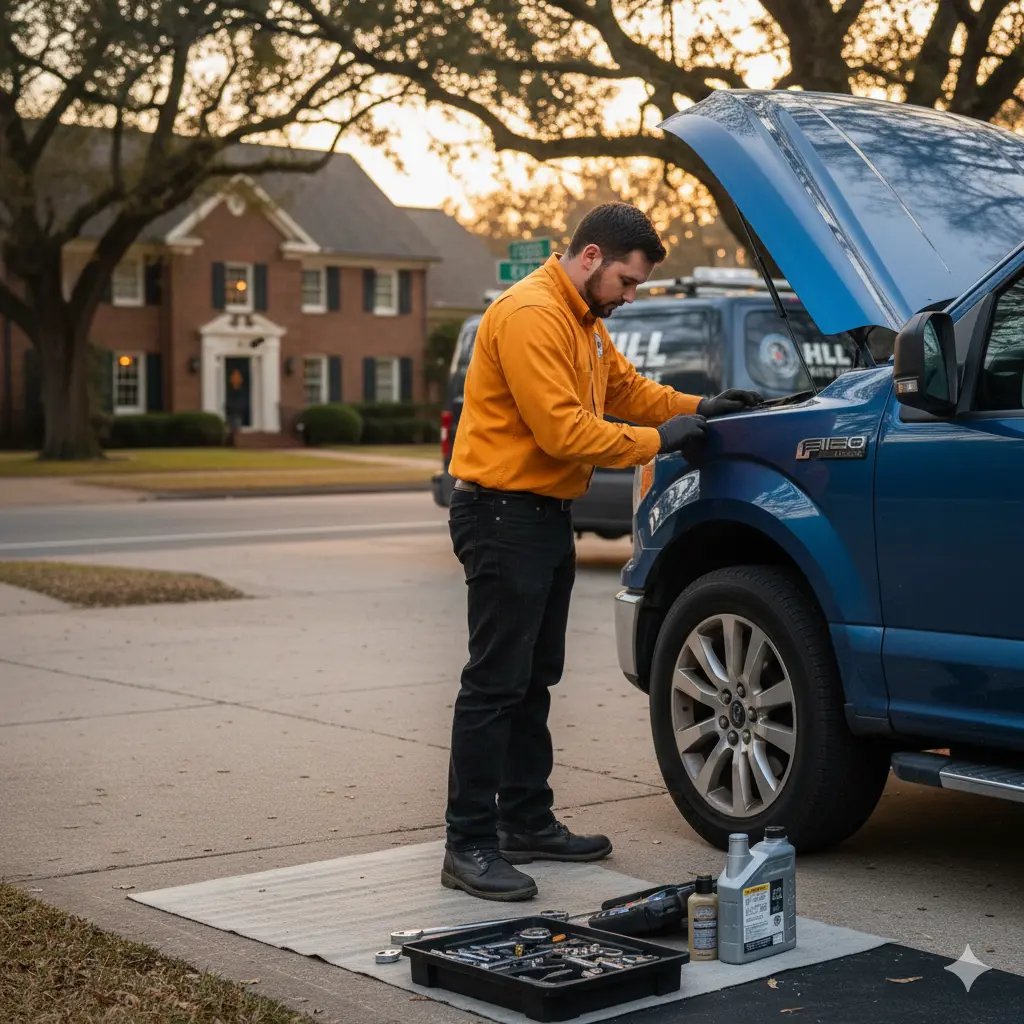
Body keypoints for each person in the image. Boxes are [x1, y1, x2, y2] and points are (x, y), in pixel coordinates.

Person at [443, 202, 760, 901]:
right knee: (496, 681)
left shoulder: (582, 320)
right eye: (625, 281)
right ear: (590, 257)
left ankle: (524, 820)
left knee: (533, 678)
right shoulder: (533, 315)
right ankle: (467, 843)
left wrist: (697, 409)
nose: (629, 296)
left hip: (540, 513)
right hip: (500, 513)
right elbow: (562, 431)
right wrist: (660, 441)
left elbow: (624, 389)